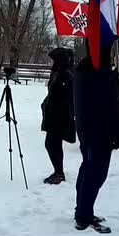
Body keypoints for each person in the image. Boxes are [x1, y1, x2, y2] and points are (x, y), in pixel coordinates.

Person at [73, 45, 119, 233]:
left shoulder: (82, 71)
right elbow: (110, 107)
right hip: (100, 130)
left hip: (85, 128)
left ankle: (83, 209)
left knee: (87, 167)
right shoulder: (101, 75)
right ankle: (83, 215)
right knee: (96, 174)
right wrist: (118, 131)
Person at [41, 48, 76, 185]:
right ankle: (58, 171)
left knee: (52, 144)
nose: (52, 63)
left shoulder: (66, 75)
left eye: (54, 60)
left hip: (60, 116)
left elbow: (67, 97)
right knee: (52, 144)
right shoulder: (57, 73)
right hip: (53, 114)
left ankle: (59, 173)